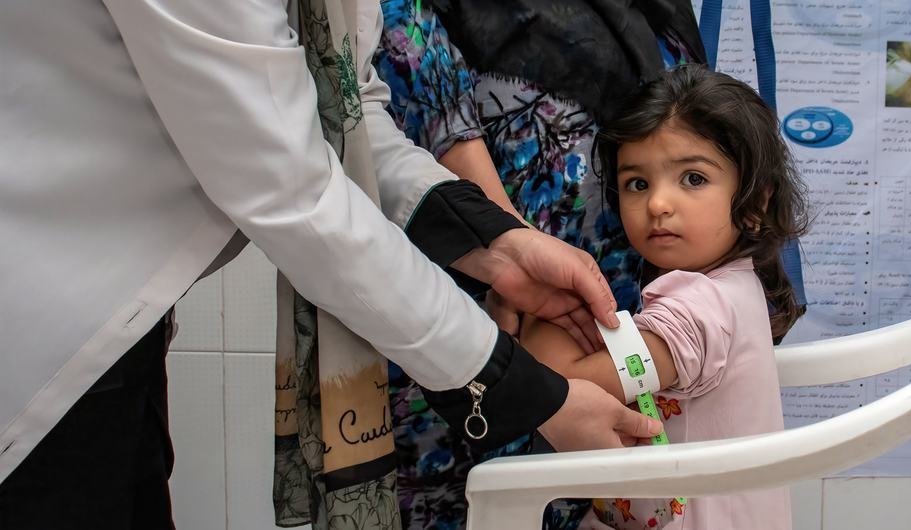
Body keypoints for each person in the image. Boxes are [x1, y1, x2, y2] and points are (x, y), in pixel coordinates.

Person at [0, 1, 662, 528]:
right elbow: (293, 191)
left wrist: (495, 241)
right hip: (37, 331)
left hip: (115, 330)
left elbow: (345, 107)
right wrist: (520, 388)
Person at [371, 1, 707, 528]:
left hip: (600, 309)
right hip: (461, 295)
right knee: (470, 495)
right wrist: (502, 240)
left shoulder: (706, 310)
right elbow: (410, 94)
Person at [520, 65, 809, 530]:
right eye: (638, 183)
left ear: (755, 203)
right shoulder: (731, 286)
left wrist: (529, 303)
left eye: (693, 178)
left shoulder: (699, 309)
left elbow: (561, 383)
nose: (657, 204)